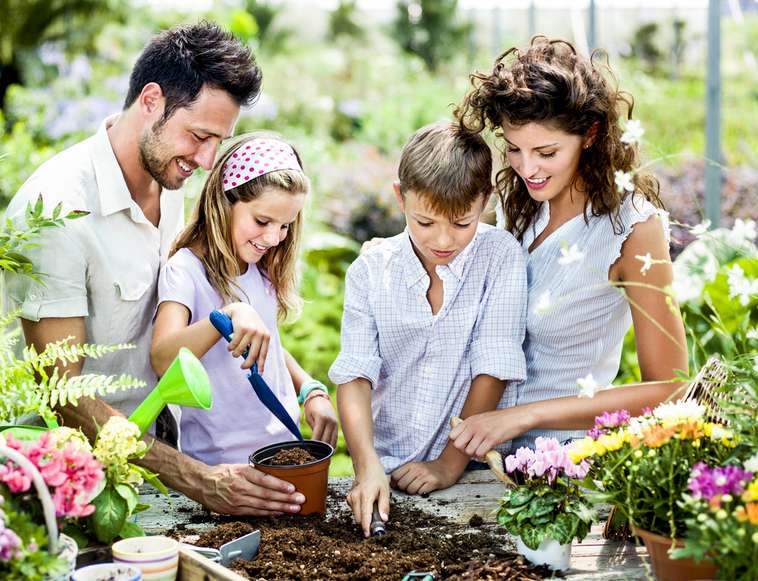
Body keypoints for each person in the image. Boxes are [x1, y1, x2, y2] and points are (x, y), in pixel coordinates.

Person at [4, 22, 306, 516]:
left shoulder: (171, 181)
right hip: (73, 482)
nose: (209, 160)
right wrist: (198, 479)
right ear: (151, 100)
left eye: (219, 141)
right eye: (200, 135)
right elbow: (61, 395)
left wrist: (300, 381)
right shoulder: (57, 211)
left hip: (162, 451)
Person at [448, 37, 688, 457]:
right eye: (514, 149)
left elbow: (671, 390)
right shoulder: (517, 203)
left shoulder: (631, 227)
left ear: (591, 135)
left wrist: (527, 415)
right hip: (477, 452)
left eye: (547, 152)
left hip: (562, 463)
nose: (527, 168)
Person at [330, 121, 528, 536]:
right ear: (400, 198)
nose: (443, 240)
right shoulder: (371, 271)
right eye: (425, 222)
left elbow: (492, 366)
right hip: (386, 461)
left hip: (473, 466)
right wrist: (368, 468)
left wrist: (448, 464)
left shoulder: (499, 257)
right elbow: (355, 375)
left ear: (484, 200)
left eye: (461, 223)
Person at [150, 133, 338, 470]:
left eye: (285, 226)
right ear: (225, 202)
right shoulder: (187, 271)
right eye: (263, 221)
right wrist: (227, 315)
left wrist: (310, 389)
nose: (273, 237)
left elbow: (268, 348)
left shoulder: (259, 268)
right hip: (222, 467)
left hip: (283, 451)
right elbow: (163, 359)